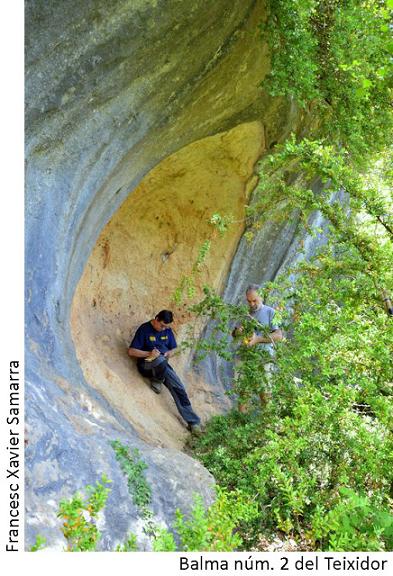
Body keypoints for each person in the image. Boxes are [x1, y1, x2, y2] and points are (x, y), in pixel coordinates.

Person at [128, 310, 202, 434]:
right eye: (162, 325)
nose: (163, 329)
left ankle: (194, 423)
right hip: (146, 365)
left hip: (163, 365)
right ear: (156, 319)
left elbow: (174, 348)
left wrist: (170, 353)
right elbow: (131, 351)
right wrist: (148, 353)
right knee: (160, 360)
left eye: (166, 327)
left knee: (178, 387)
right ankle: (157, 380)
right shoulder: (144, 329)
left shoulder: (167, 331)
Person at [233, 284, 283, 410]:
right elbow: (234, 333)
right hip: (245, 357)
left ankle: (268, 426)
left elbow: (278, 335)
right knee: (243, 393)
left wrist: (258, 339)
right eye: (249, 301)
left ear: (261, 297)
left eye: (254, 300)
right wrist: (238, 332)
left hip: (264, 358)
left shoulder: (270, 312)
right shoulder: (244, 314)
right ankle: (241, 423)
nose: (252, 304)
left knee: (265, 394)